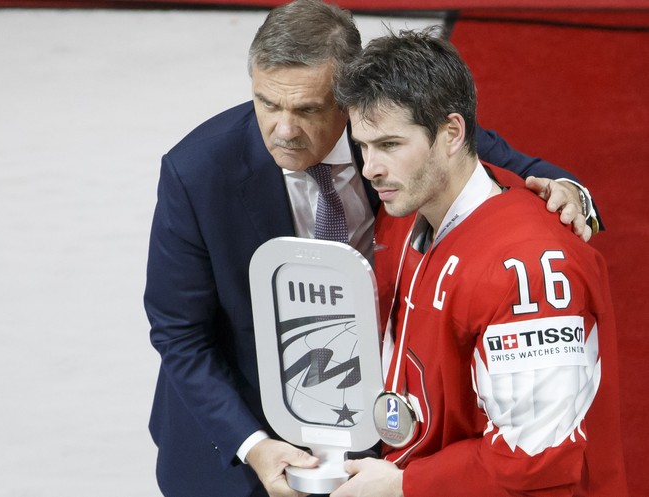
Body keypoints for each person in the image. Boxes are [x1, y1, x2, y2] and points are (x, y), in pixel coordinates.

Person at [143, 2, 600, 496]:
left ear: (350, 98)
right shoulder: (197, 172)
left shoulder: (393, 134)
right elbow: (179, 332)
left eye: (307, 109)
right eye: (267, 103)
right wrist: (254, 445)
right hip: (241, 440)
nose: (284, 129)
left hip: (382, 433)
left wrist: (572, 196)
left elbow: (514, 167)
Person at [329, 27, 626, 497]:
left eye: (389, 145)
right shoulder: (410, 207)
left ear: (452, 133)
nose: (370, 169)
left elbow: (535, 460)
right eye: (363, 146)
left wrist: (405, 485)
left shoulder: (528, 269)